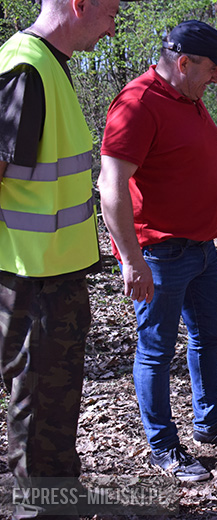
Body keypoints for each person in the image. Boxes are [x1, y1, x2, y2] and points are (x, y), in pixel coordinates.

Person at [97, 20, 217, 483]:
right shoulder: (138, 103)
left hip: (202, 248)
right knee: (156, 351)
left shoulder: (190, 99)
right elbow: (110, 188)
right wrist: (131, 261)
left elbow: (189, 166)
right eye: (211, 69)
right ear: (183, 62)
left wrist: (215, 213)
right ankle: (163, 447)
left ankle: (209, 427)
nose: (216, 79)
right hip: (160, 254)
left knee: (209, 336)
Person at [0, 0, 122, 517]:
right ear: (79, 5)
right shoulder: (26, 68)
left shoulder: (50, 65)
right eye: (111, 9)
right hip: (31, 277)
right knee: (37, 399)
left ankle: (59, 497)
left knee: (54, 399)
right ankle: (39, 510)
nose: (115, 21)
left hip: (56, 273)